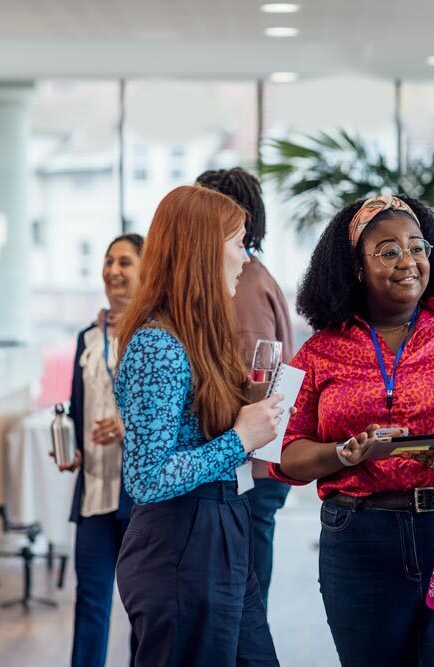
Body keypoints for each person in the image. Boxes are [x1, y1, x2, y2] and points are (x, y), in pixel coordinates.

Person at [271, 195, 434, 667]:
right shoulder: (319, 352)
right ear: (356, 268)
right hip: (361, 539)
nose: (408, 261)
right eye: (388, 251)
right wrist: (345, 454)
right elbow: (284, 451)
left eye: (417, 247)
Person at [113, 185, 282, 667]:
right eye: (238, 244)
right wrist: (239, 440)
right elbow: (147, 478)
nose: (246, 260)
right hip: (180, 545)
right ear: (204, 251)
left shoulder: (199, 339)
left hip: (219, 532)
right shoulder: (157, 347)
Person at [195, 167, 294, 610]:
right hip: (247, 462)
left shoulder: (242, 285)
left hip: (247, 467)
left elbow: (252, 383)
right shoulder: (250, 276)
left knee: (240, 608)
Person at [59, 233, 144, 667]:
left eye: (125, 262)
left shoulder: (156, 336)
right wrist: (71, 446)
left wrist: (128, 426)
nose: (114, 270)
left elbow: (172, 409)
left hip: (139, 490)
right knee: (89, 600)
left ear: (146, 271)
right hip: (93, 486)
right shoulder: (87, 337)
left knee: (140, 608)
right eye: (109, 261)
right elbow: (78, 406)